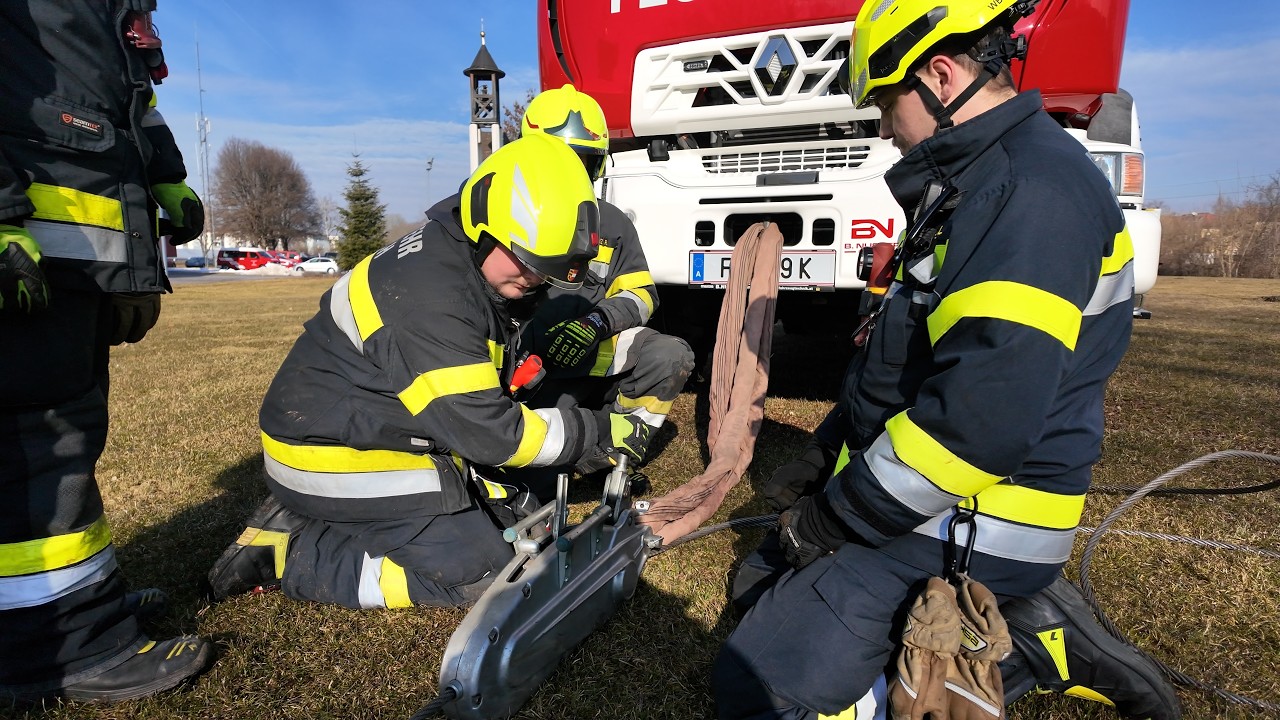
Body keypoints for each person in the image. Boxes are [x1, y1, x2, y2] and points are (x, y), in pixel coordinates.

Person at [711, 0, 1181, 718]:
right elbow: (905, 366)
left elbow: (978, 425)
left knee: (758, 693)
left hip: (975, 517)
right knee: (754, 586)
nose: (883, 130)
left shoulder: (1029, 195)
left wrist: (834, 518)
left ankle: (1024, 640)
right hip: (932, 497)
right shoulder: (971, 187)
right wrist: (829, 450)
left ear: (939, 75)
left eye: (885, 104)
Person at [206, 134, 647, 610]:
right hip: (329, 454)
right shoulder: (434, 298)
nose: (534, 278)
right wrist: (599, 431)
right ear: (486, 223)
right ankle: (291, 553)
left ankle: (330, 518)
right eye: (527, 262)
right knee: (484, 576)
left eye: (547, 269)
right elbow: (493, 435)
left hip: (378, 428)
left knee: (512, 514)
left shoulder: (461, 257)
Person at [0, 0, 209, 704]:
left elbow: (125, 101)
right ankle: (52, 651)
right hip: (27, 249)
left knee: (69, 437)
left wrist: (165, 175)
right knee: (34, 449)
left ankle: (81, 607)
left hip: (71, 261)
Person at [514, 84, 695, 491]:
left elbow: (642, 294)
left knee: (670, 355)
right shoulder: (504, 213)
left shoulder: (612, 223)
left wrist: (596, 322)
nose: (571, 175)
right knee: (538, 468)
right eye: (558, 161)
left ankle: (610, 456)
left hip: (592, 356)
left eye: (584, 163)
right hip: (526, 370)